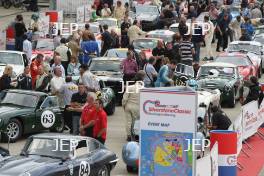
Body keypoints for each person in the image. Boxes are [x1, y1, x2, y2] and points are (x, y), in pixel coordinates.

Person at [122, 71, 145, 141]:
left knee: (128, 122)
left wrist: (124, 106)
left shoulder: (130, 87)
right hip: (138, 107)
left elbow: (124, 98)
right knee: (136, 122)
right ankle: (136, 135)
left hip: (128, 106)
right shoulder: (144, 89)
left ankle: (129, 136)